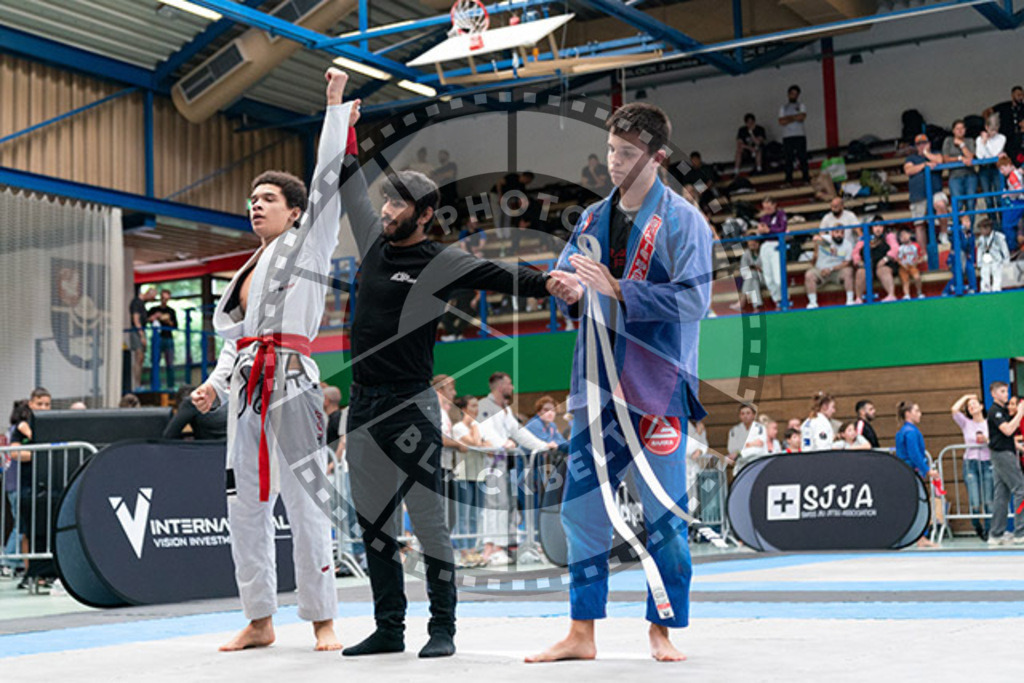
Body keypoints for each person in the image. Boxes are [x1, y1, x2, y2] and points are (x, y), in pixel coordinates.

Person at [331, 92, 574, 660]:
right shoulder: (373, 242)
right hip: (363, 406)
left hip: (410, 404)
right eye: (387, 202)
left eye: (398, 206)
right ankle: (389, 627)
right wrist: (342, 120)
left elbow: (498, 273)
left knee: (428, 521)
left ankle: (443, 627)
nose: (386, 211)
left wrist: (548, 283)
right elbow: (348, 183)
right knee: (374, 524)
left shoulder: (441, 262)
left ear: (423, 215)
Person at [527, 101, 712, 664]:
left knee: (663, 514)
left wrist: (619, 289)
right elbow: (571, 277)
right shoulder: (590, 218)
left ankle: (662, 628)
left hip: (656, 386)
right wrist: (566, 289)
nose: (614, 162)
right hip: (595, 385)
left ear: (658, 157)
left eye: (627, 153)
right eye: (610, 150)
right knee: (580, 509)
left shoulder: (683, 221)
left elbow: (694, 301)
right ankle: (581, 631)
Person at [190, 68, 354, 652]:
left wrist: (333, 106)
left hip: (292, 382)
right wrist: (215, 385)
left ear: (295, 211)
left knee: (306, 501)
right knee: (245, 505)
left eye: (267, 200)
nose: (255, 207)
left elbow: (329, 177)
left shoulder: (309, 243)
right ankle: (259, 618)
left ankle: (322, 617)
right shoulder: (245, 270)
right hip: (246, 390)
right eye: (252, 200)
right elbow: (236, 339)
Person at [477, 372, 556, 566]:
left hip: (504, 463)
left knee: (505, 505)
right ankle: (490, 548)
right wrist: (503, 443)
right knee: (494, 505)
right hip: (491, 463)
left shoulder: (505, 410)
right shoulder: (485, 405)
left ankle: (500, 546)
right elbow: (485, 430)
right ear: (500, 386)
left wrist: (542, 445)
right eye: (509, 384)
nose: (512, 387)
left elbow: (519, 433)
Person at [450, 395, 497, 567]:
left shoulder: (480, 427)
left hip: (479, 476)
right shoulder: (458, 428)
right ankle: (464, 552)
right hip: (463, 476)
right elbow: (476, 443)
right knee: (463, 515)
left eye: (477, 406)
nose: (476, 410)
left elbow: (491, 448)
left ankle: (472, 549)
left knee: (475, 516)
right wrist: (477, 432)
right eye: (473, 406)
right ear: (464, 408)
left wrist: (482, 442)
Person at [894, 401, 941, 548]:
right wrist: (927, 470)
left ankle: (918, 536)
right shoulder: (911, 432)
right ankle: (921, 537)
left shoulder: (902, 431)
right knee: (919, 505)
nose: (920, 414)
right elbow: (914, 454)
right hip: (912, 472)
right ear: (908, 414)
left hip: (905, 471)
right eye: (917, 411)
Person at [985, 381, 1024, 545]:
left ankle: (995, 534)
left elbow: (1005, 436)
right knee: (1021, 489)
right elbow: (1007, 430)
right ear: (993, 394)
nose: (1005, 394)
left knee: (1002, 495)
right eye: (1002, 391)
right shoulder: (995, 411)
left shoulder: (1003, 411)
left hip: (1003, 452)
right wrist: (1020, 413)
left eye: (1006, 391)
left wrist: (1018, 447)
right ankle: (1020, 532)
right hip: (1002, 455)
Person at [950, 393, 993, 540]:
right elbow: (954, 410)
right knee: (975, 502)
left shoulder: (989, 423)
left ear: (981, 406)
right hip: (970, 464)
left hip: (987, 462)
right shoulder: (966, 423)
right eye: (969, 406)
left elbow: (995, 441)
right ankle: (977, 525)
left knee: (989, 501)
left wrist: (986, 439)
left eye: (974, 404)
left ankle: (988, 531)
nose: (971, 406)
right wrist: (966, 396)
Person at [904, 134, 943, 248]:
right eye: (919, 144)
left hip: (935, 192)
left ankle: (943, 238)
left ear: (929, 144)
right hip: (918, 195)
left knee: (940, 207)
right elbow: (908, 170)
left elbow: (940, 160)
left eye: (924, 143)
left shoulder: (935, 153)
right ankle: (923, 253)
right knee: (919, 224)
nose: (921, 146)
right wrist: (924, 165)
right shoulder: (911, 158)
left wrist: (926, 154)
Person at [805, 227, 855, 309]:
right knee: (809, 274)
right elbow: (816, 238)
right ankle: (813, 303)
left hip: (837, 271)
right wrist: (827, 245)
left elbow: (847, 262)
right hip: (820, 271)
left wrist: (831, 269)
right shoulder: (826, 239)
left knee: (848, 271)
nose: (839, 235)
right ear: (832, 233)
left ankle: (850, 300)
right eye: (837, 232)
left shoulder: (848, 244)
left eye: (841, 233)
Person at [942, 120, 978, 229]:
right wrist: (960, 158)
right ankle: (959, 231)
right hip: (955, 176)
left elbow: (971, 157)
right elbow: (945, 159)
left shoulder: (969, 140)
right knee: (958, 204)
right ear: (953, 130)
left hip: (970, 175)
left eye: (962, 128)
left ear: (965, 130)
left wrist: (962, 145)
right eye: (957, 128)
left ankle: (970, 231)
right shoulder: (948, 141)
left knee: (971, 203)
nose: (960, 131)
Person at [853, 221, 899, 303]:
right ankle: (858, 298)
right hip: (868, 266)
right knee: (861, 272)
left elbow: (895, 249)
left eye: (881, 226)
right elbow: (855, 252)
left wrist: (885, 259)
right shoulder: (865, 237)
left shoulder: (888, 236)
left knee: (883, 270)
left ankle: (891, 295)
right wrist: (859, 261)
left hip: (885, 264)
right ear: (872, 228)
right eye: (875, 226)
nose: (878, 228)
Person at [756, 196, 787, 308]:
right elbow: (761, 231)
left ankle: (784, 298)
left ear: (774, 205)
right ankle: (777, 301)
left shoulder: (781, 214)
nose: (767, 210)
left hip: (776, 244)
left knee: (778, 278)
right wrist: (761, 231)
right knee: (768, 278)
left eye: (769, 207)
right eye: (765, 208)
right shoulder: (763, 218)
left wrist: (769, 230)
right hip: (765, 246)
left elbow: (782, 229)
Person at [976, 114, 1006, 217]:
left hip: (996, 169)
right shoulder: (979, 139)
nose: (994, 132)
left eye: (996, 130)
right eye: (992, 130)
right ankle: (993, 223)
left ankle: (1002, 223)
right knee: (988, 199)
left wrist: (985, 144)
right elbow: (980, 156)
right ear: (986, 127)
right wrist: (983, 141)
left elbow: (993, 154)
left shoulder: (1001, 138)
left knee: (999, 198)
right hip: (984, 169)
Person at [147, 289, 178, 389]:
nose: (164, 300)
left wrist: (168, 320)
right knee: (155, 361)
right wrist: (155, 317)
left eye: (166, 298)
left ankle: (170, 386)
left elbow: (175, 326)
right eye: (163, 298)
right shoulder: (154, 309)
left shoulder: (171, 311)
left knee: (170, 363)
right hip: (157, 338)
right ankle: (154, 385)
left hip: (168, 338)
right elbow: (147, 320)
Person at [778, 85, 809, 185]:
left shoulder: (801, 105)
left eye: (796, 94)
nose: (794, 96)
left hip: (800, 135)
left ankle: (806, 179)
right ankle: (788, 180)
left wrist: (788, 118)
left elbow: (802, 117)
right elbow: (781, 121)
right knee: (788, 159)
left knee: (802, 158)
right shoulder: (783, 107)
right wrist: (795, 117)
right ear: (788, 94)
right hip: (787, 137)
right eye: (792, 94)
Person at [985, 85, 1024, 163]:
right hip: (1005, 137)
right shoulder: (1004, 106)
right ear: (1012, 95)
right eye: (1018, 94)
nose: (1020, 97)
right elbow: (987, 111)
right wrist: (988, 124)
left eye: (1022, 95)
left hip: (1019, 138)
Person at [128, 287, 156, 389]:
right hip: (137, 332)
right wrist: (142, 335)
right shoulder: (136, 302)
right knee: (138, 357)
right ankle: (136, 384)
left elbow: (142, 319)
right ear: (148, 294)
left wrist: (150, 319)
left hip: (141, 331)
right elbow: (136, 320)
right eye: (152, 298)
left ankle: (138, 383)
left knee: (141, 358)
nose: (151, 300)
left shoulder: (143, 304)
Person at [975, 216, 1010, 292]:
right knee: (984, 274)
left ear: (988, 228)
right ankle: (985, 289)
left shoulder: (998, 237)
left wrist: (1006, 261)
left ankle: (996, 289)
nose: (981, 231)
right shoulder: (981, 239)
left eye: (982, 229)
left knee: (997, 275)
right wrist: (979, 262)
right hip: (986, 261)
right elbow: (980, 251)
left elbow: (1005, 250)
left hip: (997, 260)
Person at [997, 153, 1024, 249]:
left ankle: (1012, 248)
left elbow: (1019, 190)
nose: (1001, 172)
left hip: (1018, 202)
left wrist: (1008, 194)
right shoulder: (1018, 172)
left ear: (1008, 165)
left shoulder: (1012, 176)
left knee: (1007, 225)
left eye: (1002, 168)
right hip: (1018, 201)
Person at [895, 228, 926, 300]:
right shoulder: (900, 248)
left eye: (905, 234)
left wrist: (918, 261)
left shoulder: (916, 246)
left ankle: (919, 292)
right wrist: (903, 265)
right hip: (903, 267)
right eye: (901, 236)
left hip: (913, 266)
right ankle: (906, 294)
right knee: (905, 280)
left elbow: (920, 257)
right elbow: (898, 259)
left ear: (910, 234)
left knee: (917, 277)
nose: (904, 236)